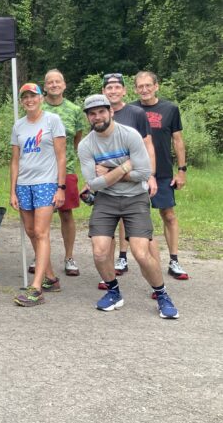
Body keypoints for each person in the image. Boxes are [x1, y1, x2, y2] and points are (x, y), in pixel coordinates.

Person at [77, 94, 179, 319]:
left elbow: (143, 173)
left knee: (141, 253)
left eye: (102, 111)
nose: (97, 116)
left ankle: (162, 295)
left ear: (111, 112)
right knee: (100, 251)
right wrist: (124, 167)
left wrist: (109, 172)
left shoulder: (130, 135)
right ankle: (113, 292)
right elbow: (94, 184)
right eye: (92, 113)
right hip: (106, 199)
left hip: (135, 197)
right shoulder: (86, 145)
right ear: (88, 117)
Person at [10, 83, 67, 307]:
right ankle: (50, 278)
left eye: (33, 96)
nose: (29, 100)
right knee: (31, 231)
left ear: (41, 98)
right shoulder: (18, 125)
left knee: (42, 232)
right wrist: (13, 190)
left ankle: (36, 288)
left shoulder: (52, 120)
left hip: (46, 182)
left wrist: (60, 187)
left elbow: (61, 156)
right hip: (24, 184)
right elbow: (15, 160)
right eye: (25, 97)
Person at [132, 71, 189, 281]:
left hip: (163, 172)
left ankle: (174, 260)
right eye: (140, 86)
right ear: (135, 89)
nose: (144, 89)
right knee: (128, 216)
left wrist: (181, 170)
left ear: (156, 86)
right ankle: (122, 257)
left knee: (168, 215)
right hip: (136, 172)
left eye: (148, 85)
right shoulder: (130, 109)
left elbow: (178, 140)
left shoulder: (170, 109)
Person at [102, 72, 157, 278]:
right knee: (106, 231)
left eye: (117, 87)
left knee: (142, 233)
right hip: (109, 180)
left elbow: (148, 144)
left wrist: (150, 175)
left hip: (134, 179)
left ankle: (157, 279)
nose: (113, 91)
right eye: (109, 88)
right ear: (103, 91)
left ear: (124, 91)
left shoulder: (136, 113)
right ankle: (109, 276)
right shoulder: (98, 113)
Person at [43, 70, 87, 276]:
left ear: (64, 84)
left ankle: (69, 257)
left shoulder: (75, 110)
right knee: (41, 216)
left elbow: (78, 139)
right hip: (42, 171)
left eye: (57, 81)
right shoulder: (37, 107)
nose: (54, 85)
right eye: (50, 82)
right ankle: (41, 256)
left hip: (66, 169)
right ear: (45, 87)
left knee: (66, 214)